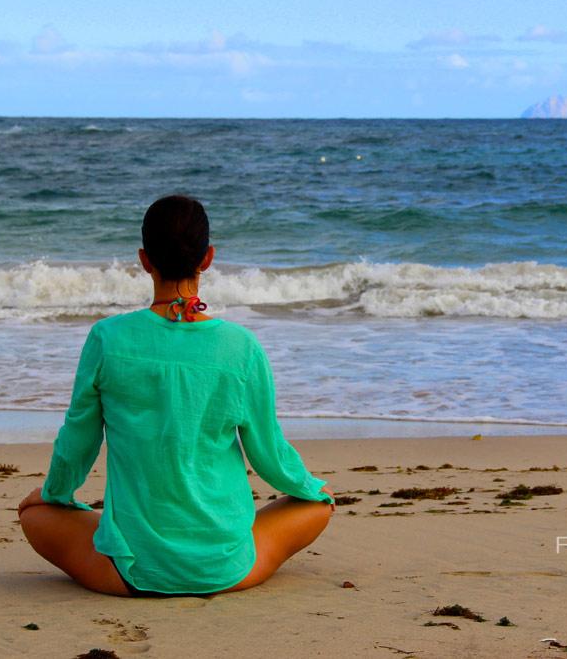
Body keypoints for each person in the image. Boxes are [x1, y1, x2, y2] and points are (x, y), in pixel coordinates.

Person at [17, 195, 334, 596]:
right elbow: (269, 455)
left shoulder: (107, 339)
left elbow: (77, 442)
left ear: (144, 259)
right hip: (226, 566)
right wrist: (309, 487)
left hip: (130, 572)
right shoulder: (241, 348)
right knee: (317, 506)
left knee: (34, 515)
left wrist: (54, 496)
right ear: (208, 258)